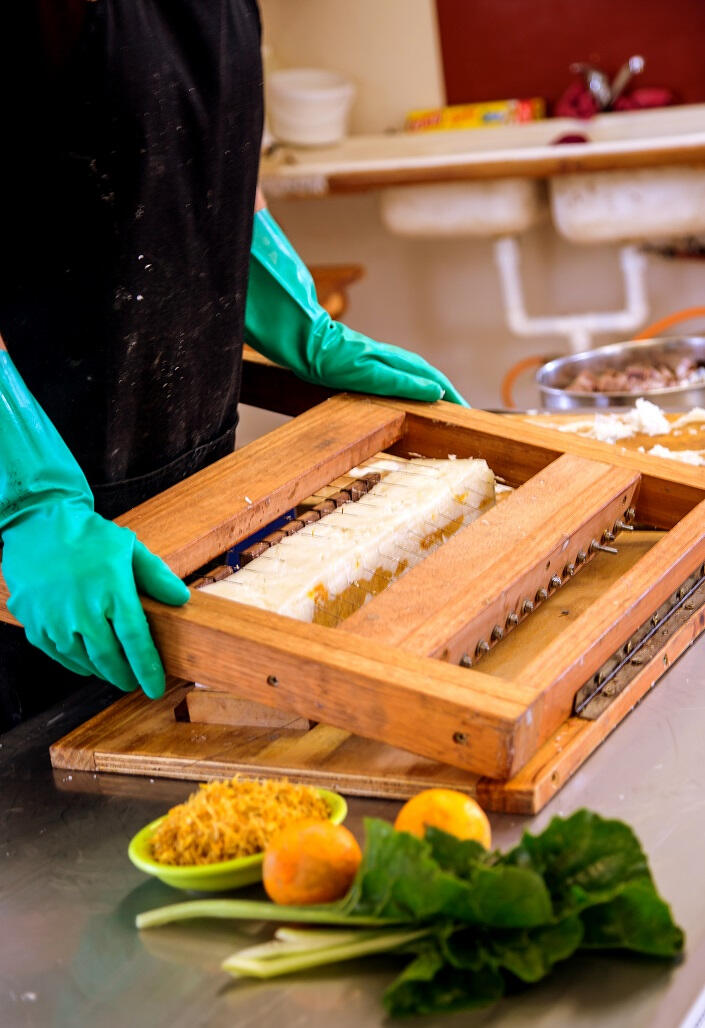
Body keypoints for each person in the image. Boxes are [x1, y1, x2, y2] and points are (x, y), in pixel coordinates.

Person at [0, 1, 466, 732]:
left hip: (182, 505)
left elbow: (202, 154)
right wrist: (23, 500)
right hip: (33, 561)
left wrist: (298, 318)